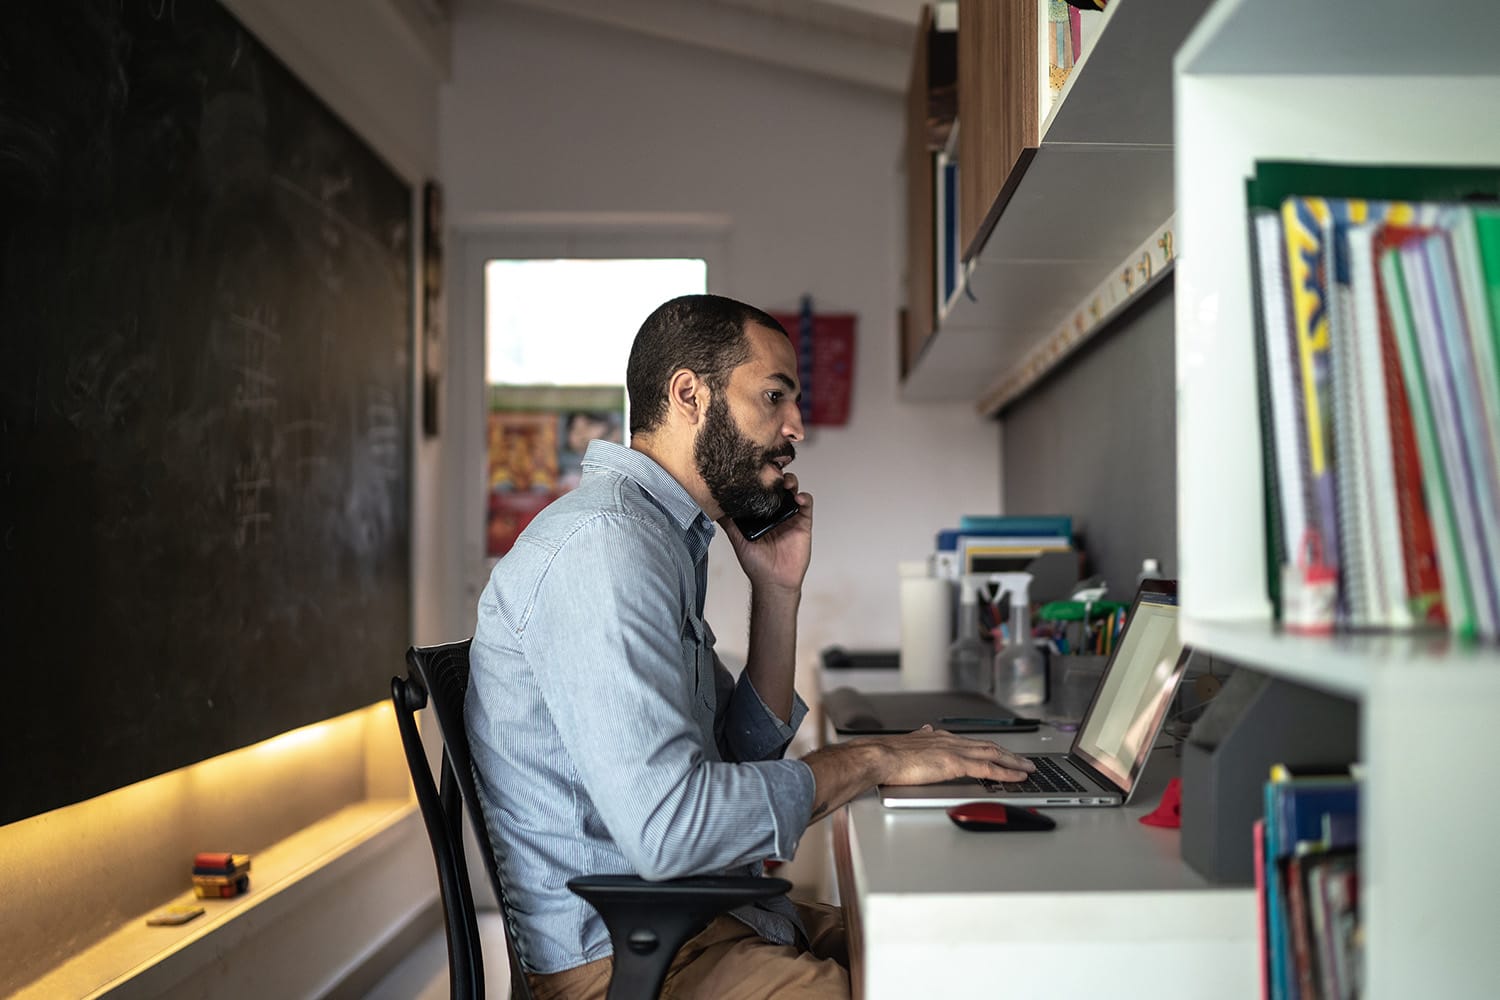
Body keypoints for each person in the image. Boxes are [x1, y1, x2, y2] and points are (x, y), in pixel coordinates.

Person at [466, 293, 1034, 1000]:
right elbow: (673, 829)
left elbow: (738, 760)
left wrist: (777, 594)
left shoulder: (659, 539)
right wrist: (872, 757)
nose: (795, 426)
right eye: (774, 397)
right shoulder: (604, 551)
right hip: (629, 961)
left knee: (967, 951)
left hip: (699, 920)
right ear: (688, 395)